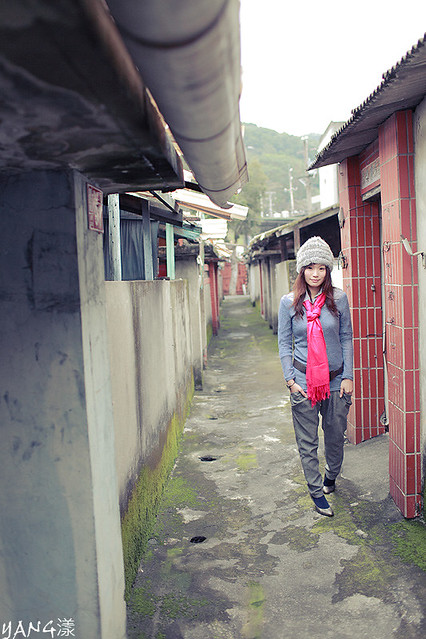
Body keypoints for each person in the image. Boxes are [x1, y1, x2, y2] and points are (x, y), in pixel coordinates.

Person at [278, 236, 353, 517]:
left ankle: (331, 475)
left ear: (327, 270)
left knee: (335, 438)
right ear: (302, 270)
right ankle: (316, 492)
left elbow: (346, 337)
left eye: (321, 268)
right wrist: (290, 381)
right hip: (302, 382)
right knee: (307, 443)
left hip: (335, 382)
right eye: (310, 267)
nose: (315, 274)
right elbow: (284, 344)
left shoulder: (339, 299)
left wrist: (348, 376)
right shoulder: (289, 303)